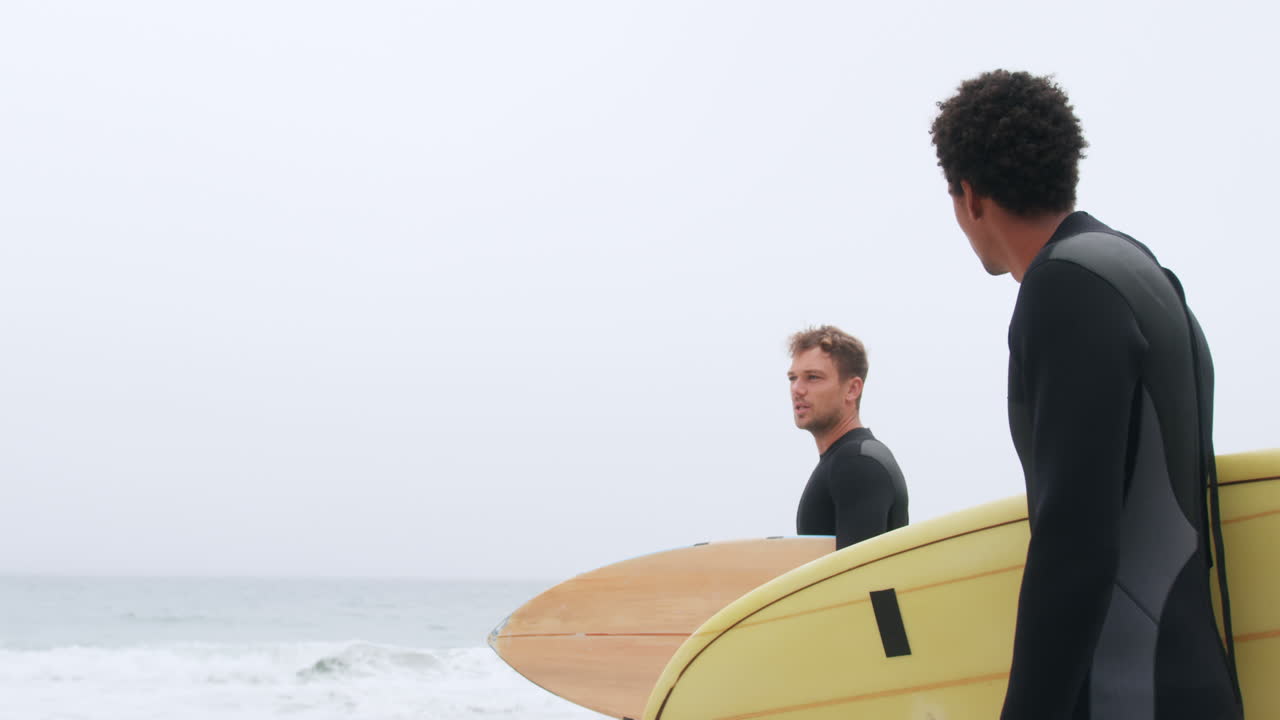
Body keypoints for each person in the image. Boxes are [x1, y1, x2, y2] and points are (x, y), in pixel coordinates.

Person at [931, 70, 1241, 720]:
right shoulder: (1145, 272)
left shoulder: (1064, 289)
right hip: (1194, 683)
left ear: (969, 197)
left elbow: (1074, 544)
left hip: (1123, 696)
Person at [788, 325, 908, 550]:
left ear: (852, 389)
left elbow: (857, 579)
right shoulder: (848, 459)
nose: (797, 389)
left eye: (813, 377)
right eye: (792, 378)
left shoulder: (856, 463)